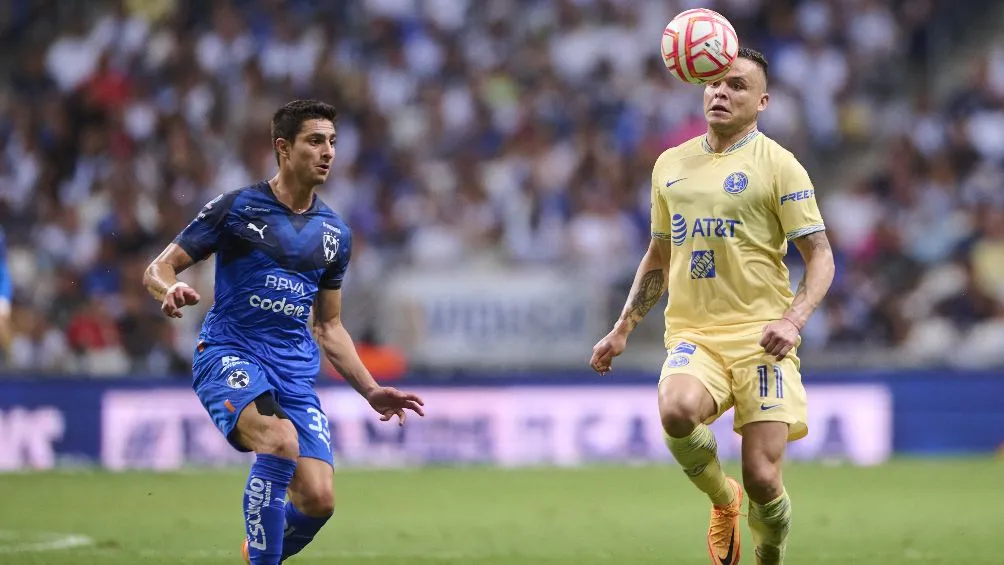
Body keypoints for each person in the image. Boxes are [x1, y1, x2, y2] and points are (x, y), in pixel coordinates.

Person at [143, 99, 425, 565]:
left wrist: (371, 391)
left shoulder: (335, 234)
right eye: (315, 141)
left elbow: (329, 326)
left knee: (319, 500)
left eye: (333, 142)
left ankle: (255, 548)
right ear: (283, 147)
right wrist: (168, 288)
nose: (328, 152)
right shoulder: (236, 208)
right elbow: (160, 266)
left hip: (292, 374)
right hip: (229, 353)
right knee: (279, 441)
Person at [590, 48, 835, 565]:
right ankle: (724, 502)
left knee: (765, 479)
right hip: (694, 335)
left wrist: (793, 320)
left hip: (762, 339)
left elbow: (821, 258)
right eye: (715, 84)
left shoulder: (781, 166)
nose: (721, 92)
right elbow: (659, 253)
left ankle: (771, 553)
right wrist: (623, 327)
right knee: (676, 411)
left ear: (762, 102)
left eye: (737, 86)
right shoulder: (670, 164)